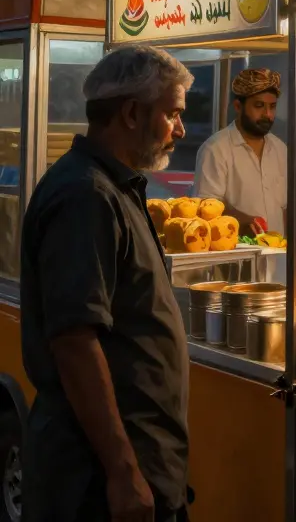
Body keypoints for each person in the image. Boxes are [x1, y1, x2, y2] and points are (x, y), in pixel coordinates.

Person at [21, 45, 193, 521]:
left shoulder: (115, 187)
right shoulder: (87, 196)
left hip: (139, 462)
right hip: (95, 480)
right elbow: (75, 341)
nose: (180, 129)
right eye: (173, 114)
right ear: (132, 113)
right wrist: (122, 470)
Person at [192, 68, 287, 236]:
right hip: (234, 251)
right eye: (259, 106)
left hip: (278, 251)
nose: (268, 114)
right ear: (238, 106)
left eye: (272, 107)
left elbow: (286, 208)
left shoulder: (280, 149)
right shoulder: (215, 149)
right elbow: (206, 207)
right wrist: (242, 222)